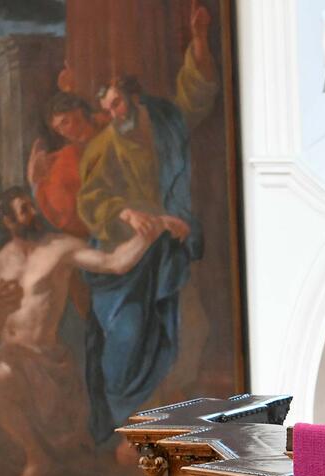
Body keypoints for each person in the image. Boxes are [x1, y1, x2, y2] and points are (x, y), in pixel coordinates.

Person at [75, 0, 219, 444]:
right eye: (108, 108)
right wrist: (125, 212)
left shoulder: (164, 122)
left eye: (117, 103)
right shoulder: (102, 145)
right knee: (126, 331)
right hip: (128, 251)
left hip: (168, 245)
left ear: (132, 96)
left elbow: (197, 95)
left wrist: (198, 41)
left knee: (188, 326)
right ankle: (128, 424)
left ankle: (172, 417)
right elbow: (90, 198)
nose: (114, 113)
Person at [0, 187, 167, 476]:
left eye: (32, 207)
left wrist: (147, 235)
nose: (33, 213)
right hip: (9, 352)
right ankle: (37, 458)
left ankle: (39, 460)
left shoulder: (59, 248)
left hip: (43, 356)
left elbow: (114, 262)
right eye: (24, 210)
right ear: (8, 221)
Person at [26, 92, 101, 239]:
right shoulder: (67, 155)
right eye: (58, 129)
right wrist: (35, 183)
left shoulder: (109, 134)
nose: (64, 132)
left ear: (79, 112)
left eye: (65, 122)